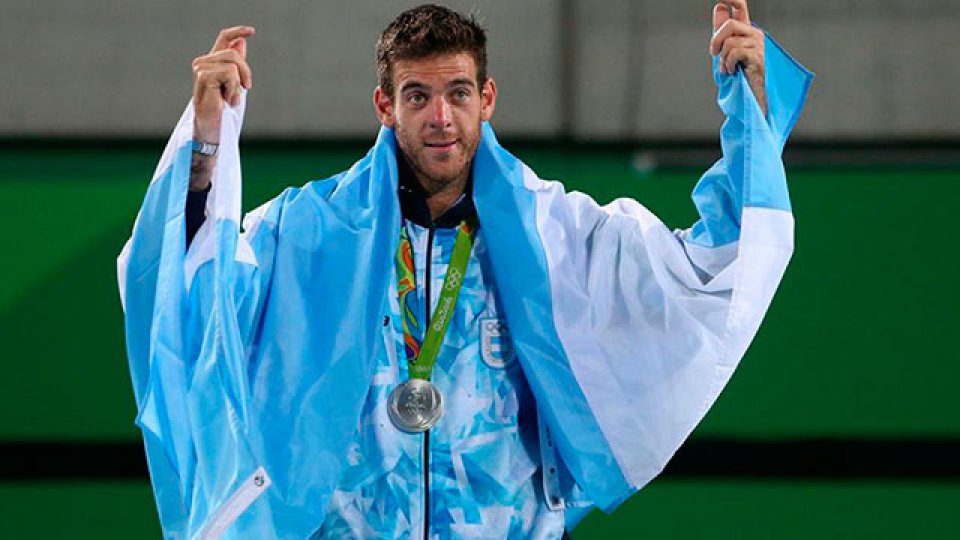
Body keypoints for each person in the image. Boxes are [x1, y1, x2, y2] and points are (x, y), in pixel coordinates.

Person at [117, 2, 811, 538]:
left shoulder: (559, 236)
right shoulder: (302, 234)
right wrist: (205, 151)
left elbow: (713, 268)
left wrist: (751, 113)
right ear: (385, 106)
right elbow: (183, 300)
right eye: (417, 96)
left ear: (488, 98)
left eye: (457, 93)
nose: (440, 117)